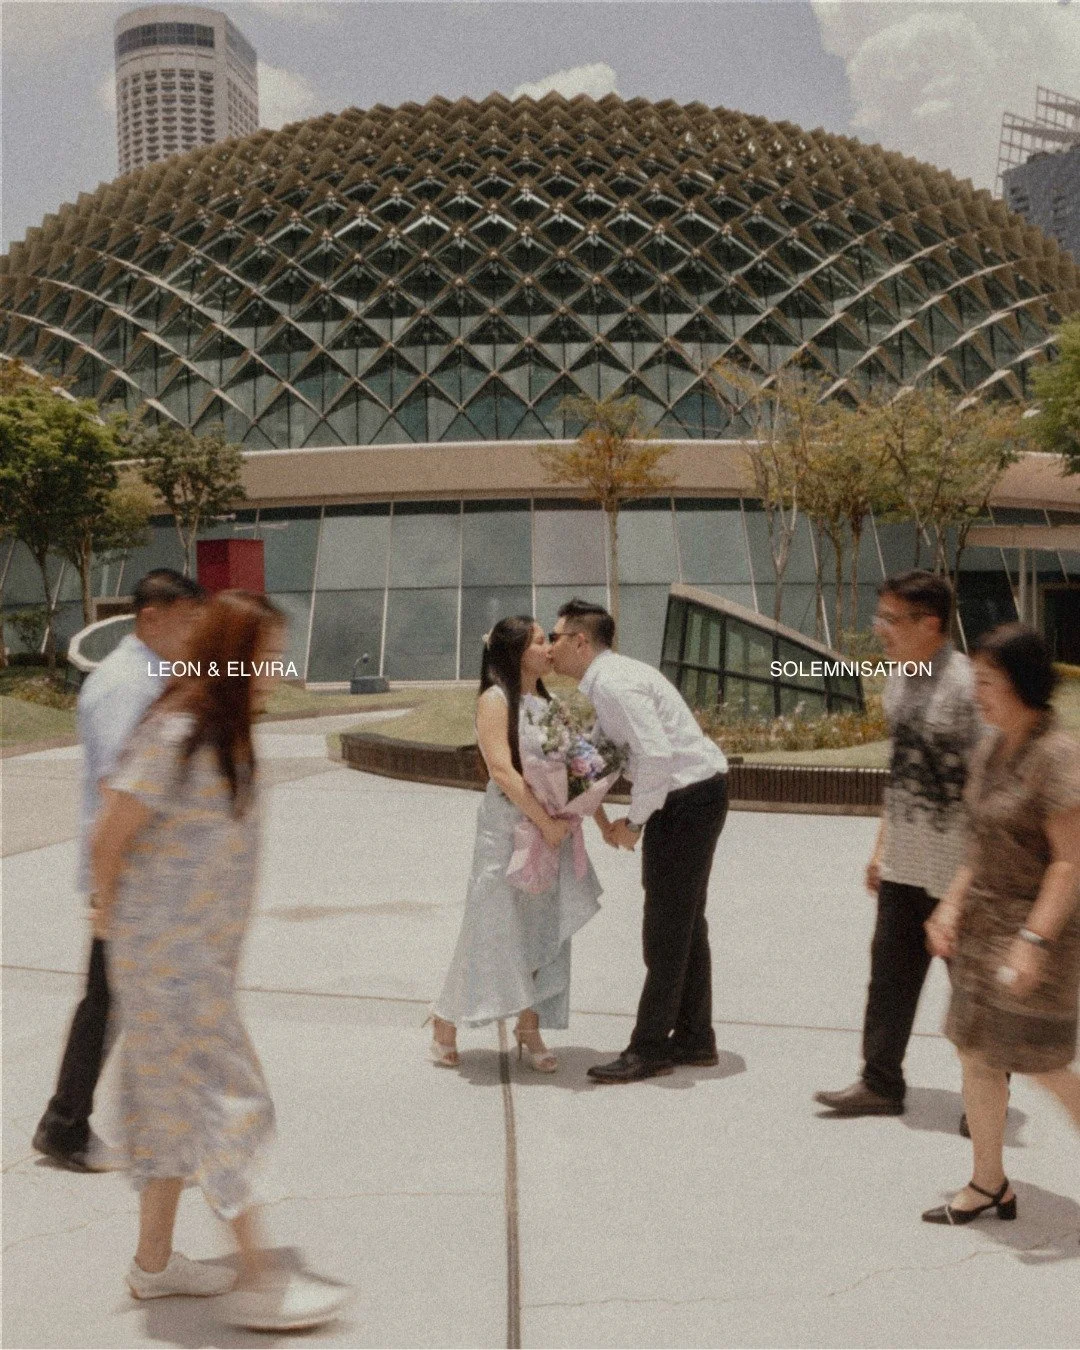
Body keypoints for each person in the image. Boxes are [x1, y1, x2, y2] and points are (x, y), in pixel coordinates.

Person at [91, 591, 348, 1332]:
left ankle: (154, 1264)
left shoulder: (225, 735)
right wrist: (108, 916)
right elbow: (110, 835)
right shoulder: (176, 732)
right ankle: (263, 1280)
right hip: (167, 964)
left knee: (170, 1108)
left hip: (195, 961)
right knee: (228, 1105)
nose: (272, 667)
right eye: (262, 652)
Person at [33, 568, 204, 1171]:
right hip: (128, 873)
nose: (195, 632)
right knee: (109, 1003)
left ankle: (68, 1123)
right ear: (153, 616)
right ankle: (66, 1126)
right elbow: (115, 787)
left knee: (111, 1001)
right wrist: (109, 890)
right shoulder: (125, 684)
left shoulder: (156, 675)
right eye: (187, 619)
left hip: (143, 872)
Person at [922, 624, 1080, 1226]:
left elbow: (1068, 861)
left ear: (1020, 683)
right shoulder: (994, 747)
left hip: (1038, 934)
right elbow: (978, 845)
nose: (977, 693)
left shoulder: (1057, 754)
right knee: (977, 1056)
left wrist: (1034, 941)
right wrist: (950, 907)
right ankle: (989, 1184)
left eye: (987, 681)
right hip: (985, 931)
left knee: (1044, 1065)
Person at [815, 571, 982, 1118]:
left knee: (971, 995)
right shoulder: (899, 677)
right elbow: (901, 774)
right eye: (879, 615)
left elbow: (989, 794)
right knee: (888, 979)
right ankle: (880, 1082)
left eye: (890, 618)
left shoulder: (966, 687)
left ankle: (985, 1101)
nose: (878, 628)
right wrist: (880, 848)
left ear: (928, 624)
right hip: (904, 865)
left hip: (960, 873)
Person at [550, 598, 729, 1084]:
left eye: (556, 636)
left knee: (667, 927)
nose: (551, 646)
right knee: (687, 923)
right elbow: (600, 758)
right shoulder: (608, 680)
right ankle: (695, 1038)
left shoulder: (613, 683)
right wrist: (590, 809)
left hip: (687, 800)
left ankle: (649, 1047)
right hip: (693, 796)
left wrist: (633, 822)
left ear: (581, 641)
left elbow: (655, 754)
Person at [429, 616, 601, 1072]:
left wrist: (592, 807)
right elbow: (502, 772)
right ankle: (446, 1021)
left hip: (553, 830)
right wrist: (543, 820)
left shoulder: (550, 703)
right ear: (516, 651)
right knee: (491, 923)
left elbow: (582, 768)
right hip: (509, 829)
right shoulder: (495, 700)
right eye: (541, 641)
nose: (550, 649)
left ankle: (530, 1024)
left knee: (544, 926)